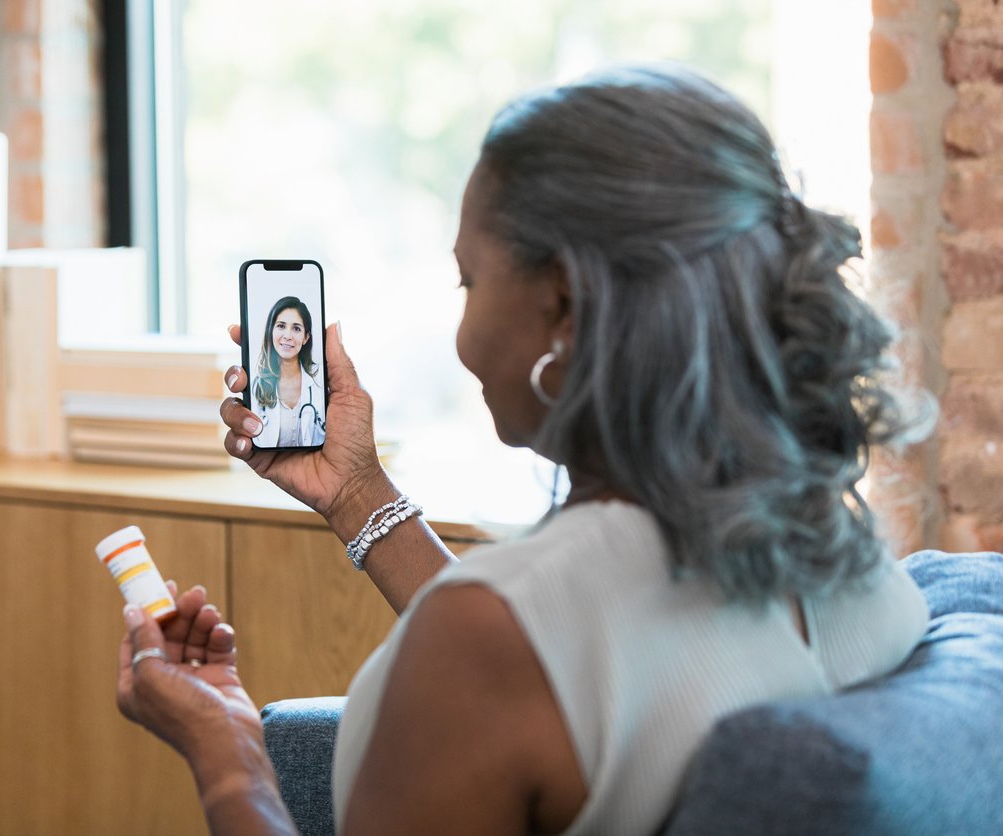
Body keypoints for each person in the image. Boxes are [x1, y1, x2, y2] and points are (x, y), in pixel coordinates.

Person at [114, 64, 930, 835]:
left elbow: (529, 646)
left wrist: (229, 755)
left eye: (469, 281)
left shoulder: (486, 638)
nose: (463, 331)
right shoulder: (849, 556)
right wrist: (355, 489)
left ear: (564, 306)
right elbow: (568, 659)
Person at [250, 295, 326, 449]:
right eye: (281, 326)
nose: (287, 336)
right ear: (271, 331)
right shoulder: (256, 386)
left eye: (296, 328)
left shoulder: (320, 387)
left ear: (306, 337)